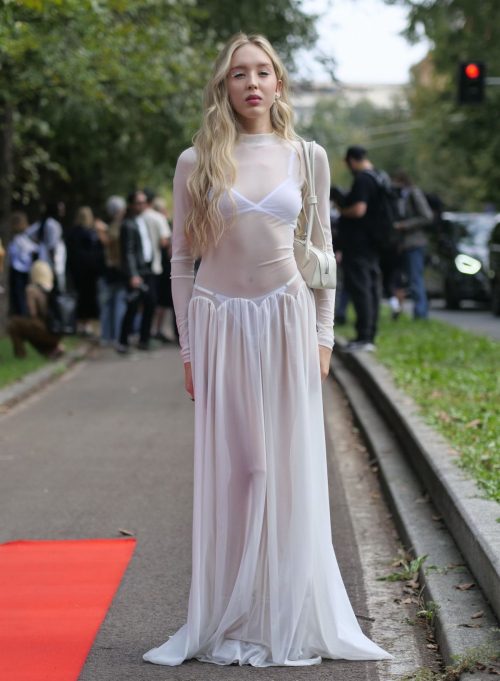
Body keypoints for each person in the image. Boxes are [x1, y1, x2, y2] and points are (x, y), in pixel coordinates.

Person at [143, 33, 392, 668]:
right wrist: (190, 350)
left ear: (279, 82)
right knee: (244, 472)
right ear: (223, 87)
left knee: (287, 473)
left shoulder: (306, 155)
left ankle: (281, 615)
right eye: (237, 74)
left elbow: (323, 252)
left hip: (286, 320)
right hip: (221, 323)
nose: (251, 83)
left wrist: (323, 337)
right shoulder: (196, 161)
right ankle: (230, 612)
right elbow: (180, 263)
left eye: (262, 72)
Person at [335, 146, 386, 351]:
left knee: (361, 289)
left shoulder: (363, 180)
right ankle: (369, 334)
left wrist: (340, 208)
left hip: (359, 244)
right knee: (372, 288)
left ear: (352, 161)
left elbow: (358, 210)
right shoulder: (380, 177)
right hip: (375, 242)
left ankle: (364, 337)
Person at [116, 190, 155, 352]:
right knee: (132, 306)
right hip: (137, 272)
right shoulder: (128, 224)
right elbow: (128, 252)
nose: (143, 205)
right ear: (131, 205)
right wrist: (133, 275)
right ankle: (123, 342)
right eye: (139, 202)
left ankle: (143, 340)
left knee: (150, 303)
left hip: (146, 269)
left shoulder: (142, 221)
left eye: (144, 202)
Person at [392, 170, 433, 319]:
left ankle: (421, 314)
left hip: (415, 242)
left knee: (416, 279)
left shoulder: (414, 193)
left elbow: (426, 216)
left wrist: (405, 225)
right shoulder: (402, 195)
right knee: (409, 279)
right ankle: (418, 313)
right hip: (406, 244)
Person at [7, 260, 64, 359]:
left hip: (46, 331)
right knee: (28, 328)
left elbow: (32, 314)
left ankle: (20, 356)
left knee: (14, 323)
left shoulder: (32, 289)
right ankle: (52, 349)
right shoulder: (53, 288)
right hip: (59, 331)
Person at [66, 207, 106, 335]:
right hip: (89, 271)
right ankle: (86, 325)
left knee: (78, 296)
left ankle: (78, 324)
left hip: (75, 270)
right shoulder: (90, 233)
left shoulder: (71, 232)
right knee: (89, 298)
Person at [141, 188, 172, 343]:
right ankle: (150, 334)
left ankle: (144, 333)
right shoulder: (158, 218)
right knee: (155, 301)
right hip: (156, 265)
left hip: (140, 265)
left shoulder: (137, 218)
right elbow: (164, 241)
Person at [98, 196, 128, 345]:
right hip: (119, 271)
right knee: (118, 305)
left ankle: (106, 336)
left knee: (108, 305)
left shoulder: (105, 228)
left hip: (109, 271)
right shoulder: (122, 227)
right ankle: (116, 336)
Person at [151, 196, 178, 343]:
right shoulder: (162, 223)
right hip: (166, 265)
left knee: (161, 301)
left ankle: (156, 329)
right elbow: (167, 246)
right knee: (168, 300)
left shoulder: (145, 220)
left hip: (156, 264)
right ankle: (161, 331)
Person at [27, 201, 67, 291]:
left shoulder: (45, 222)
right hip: (53, 264)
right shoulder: (53, 225)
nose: (63, 211)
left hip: (44, 261)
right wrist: (54, 266)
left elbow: (29, 234)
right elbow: (51, 247)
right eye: (61, 209)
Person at [8, 212, 39, 316]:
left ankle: (22, 317)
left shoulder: (24, 237)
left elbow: (32, 249)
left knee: (20, 295)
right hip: (23, 268)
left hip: (19, 268)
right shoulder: (23, 236)